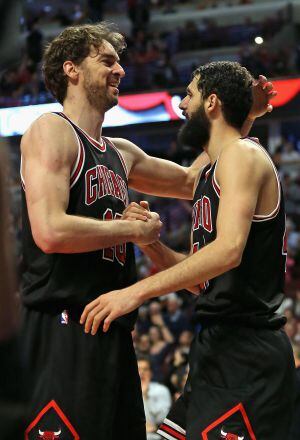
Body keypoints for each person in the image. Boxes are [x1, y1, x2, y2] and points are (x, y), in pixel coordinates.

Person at [21, 21, 274, 438]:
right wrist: (131, 231)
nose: (120, 69)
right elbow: (49, 230)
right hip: (61, 326)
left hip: (113, 330)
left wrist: (240, 115)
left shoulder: (122, 152)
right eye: (107, 61)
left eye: (120, 61)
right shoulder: (51, 130)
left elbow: (198, 180)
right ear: (71, 69)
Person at [80, 61, 296, 439]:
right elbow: (200, 278)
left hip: (247, 351)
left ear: (212, 102)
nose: (181, 104)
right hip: (217, 349)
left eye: (189, 94)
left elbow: (228, 251)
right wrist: (150, 243)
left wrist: (135, 293)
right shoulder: (213, 171)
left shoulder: (242, 156)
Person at [138, 356, 172, 440]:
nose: (141, 372)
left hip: (155, 436)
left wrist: (146, 397)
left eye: (145, 369)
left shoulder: (161, 390)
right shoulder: (128, 392)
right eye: (138, 369)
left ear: (151, 373)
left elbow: (162, 418)